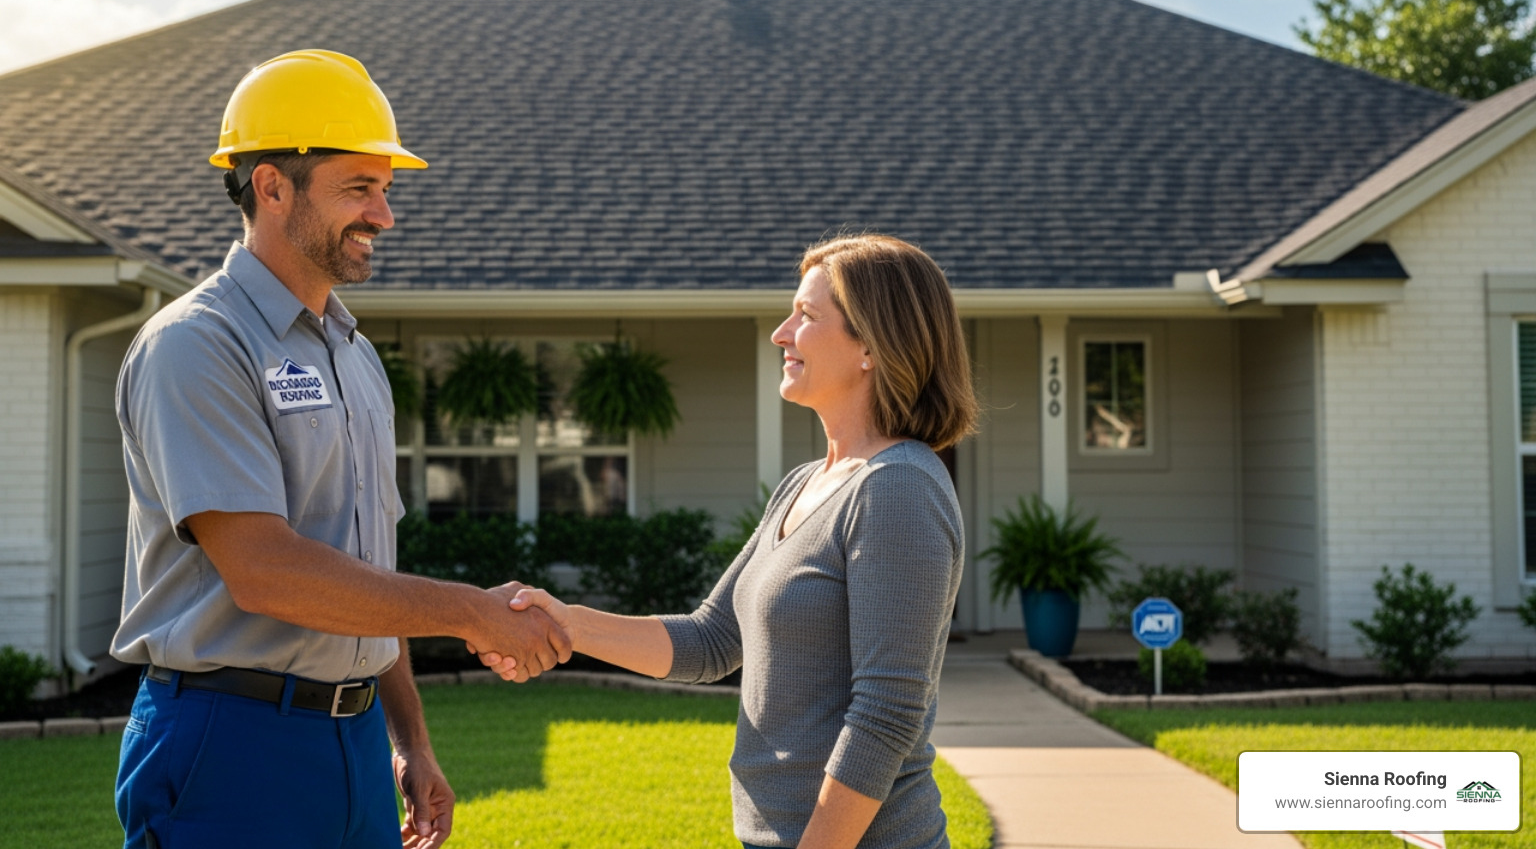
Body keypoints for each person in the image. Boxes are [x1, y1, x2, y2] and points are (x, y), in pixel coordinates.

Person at [111, 49, 570, 849]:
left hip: (354, 740)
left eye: (385, 189)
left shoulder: (353, 356)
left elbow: (364, 571)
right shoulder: (197, 345)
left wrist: (408, 740)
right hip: (230, 741)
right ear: (272, 185)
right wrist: (471, 613)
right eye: (359, 187)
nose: (384, 215)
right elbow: (266, 570)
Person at [480, 234, 978, 849]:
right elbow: (711, 640)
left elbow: (886, 714)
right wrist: (567, 623)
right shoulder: (805, 483)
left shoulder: (898, 489)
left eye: (808, 315)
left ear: (872, 346)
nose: (781, 332)